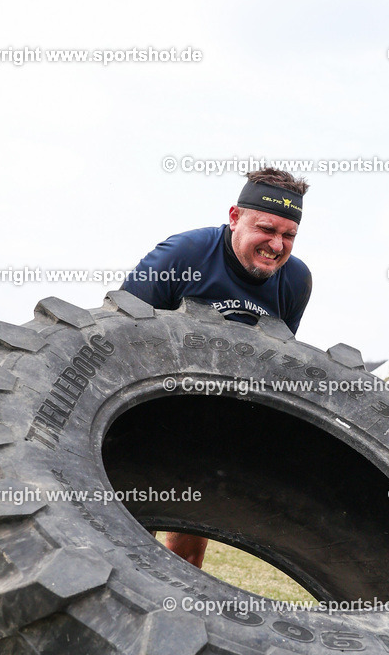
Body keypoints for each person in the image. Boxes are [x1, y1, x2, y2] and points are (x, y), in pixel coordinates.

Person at [122, 168, 312, 568]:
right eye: (266, 229)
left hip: (214, 427)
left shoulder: (295, 281)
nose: (277, 245)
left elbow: (277, 362)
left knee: (189, 553)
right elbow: (116, 334)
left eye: (289, 235)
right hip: (144, 412)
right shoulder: (184, 255)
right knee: (128, 535)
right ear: (234, 216)